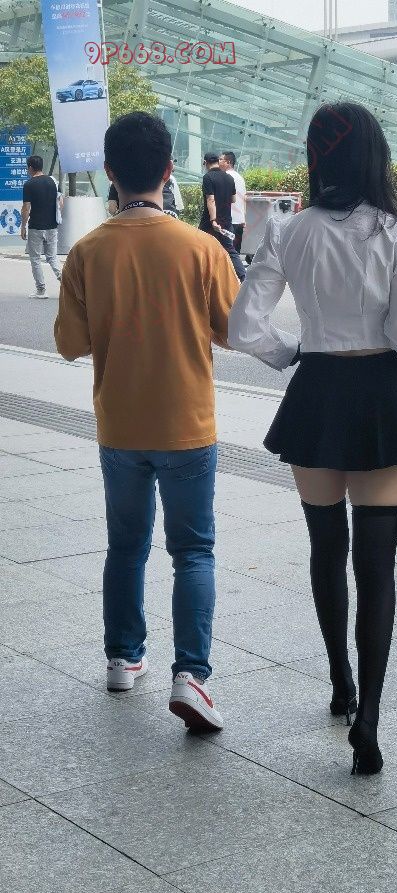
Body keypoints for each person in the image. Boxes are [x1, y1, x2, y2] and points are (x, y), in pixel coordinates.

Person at [228, 101, 397, 775]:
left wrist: (294, 351)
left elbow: (244, 327)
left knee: (326, 548)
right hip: (381, 399)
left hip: (316, 395)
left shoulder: (288, 230)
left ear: (318, 155)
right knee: (377, 566)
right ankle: (369, 721)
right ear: (376, 157)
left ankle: (339, 683)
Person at [54, 112, 240, 731]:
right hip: (188, 424)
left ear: (110, 171)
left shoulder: (88, 251)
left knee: (126, 546)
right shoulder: (202, 248)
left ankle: (122, 658)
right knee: (193, 551)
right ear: (168, 169)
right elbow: (232, 330)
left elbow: (70, 345)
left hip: (120, 426)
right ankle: (192, 676)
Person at [199, 152, 246, 282]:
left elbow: (210, 199)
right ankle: (244, 277)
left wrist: (213, 220)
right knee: (230, 250)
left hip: (210, 222)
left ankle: (202, 278)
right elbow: (233, 199)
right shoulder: (229, 178)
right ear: (217, 162)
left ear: (205, 163)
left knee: (199, 247)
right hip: (226, 221)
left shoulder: (208, 177)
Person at [20, 155, 63, 299]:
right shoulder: (53, 181)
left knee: (35, 259)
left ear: (30, 168)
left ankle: (41, 290)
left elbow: (26, 208)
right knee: (52, 257)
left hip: (36, 227)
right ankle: (67, 283)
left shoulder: (29, 184)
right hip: (52, 226)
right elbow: (60, 203)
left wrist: (23, 226)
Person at [220, 151, 246, 253]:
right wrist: (244, 218)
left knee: (226, 252)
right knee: (235, 252)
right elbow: (244, 199)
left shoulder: (225, 177)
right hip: (239, 220)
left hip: (228, 221)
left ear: (228, 162)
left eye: (221, 159)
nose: (218, 161)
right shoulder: (240, 178)